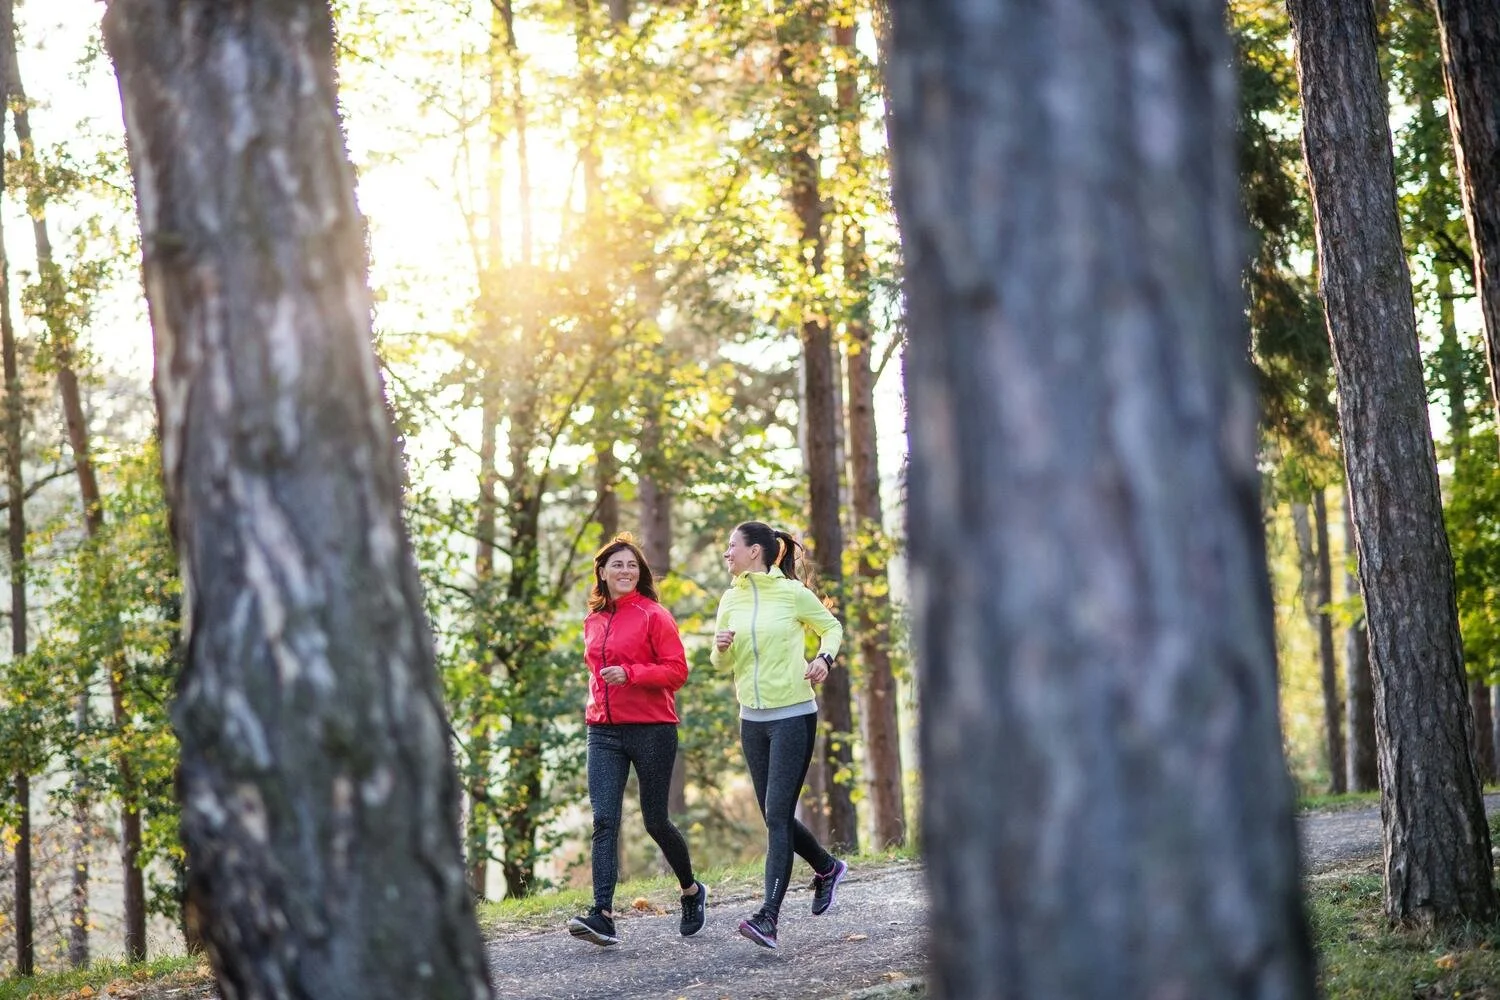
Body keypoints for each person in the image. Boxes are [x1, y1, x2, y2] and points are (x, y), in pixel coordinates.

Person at [711, 520, 849, 950]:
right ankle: (826, 868)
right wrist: (719, 647)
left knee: (775, 816)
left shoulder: (791, 593)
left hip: (792, 715)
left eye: (732, 545)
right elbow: (720, 666)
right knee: (776, 815)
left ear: (755, 551)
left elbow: (833, 628)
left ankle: (768, 918)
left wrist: (824, 659)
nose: (727, 553)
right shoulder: (730, 598)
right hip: (751, 719)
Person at [567, 533, 707, 946]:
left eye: (632, 565)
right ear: (603, 572)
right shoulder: (592, 620)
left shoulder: (653, 615)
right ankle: (603, 915)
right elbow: (596, 674)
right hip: (602, 731)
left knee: (655, 820)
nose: (625, 571)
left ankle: (692, 891)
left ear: (639, 573)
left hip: (652, 728)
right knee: (605, 820)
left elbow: (677, 671)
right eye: (617, 565)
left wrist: (631, 674)